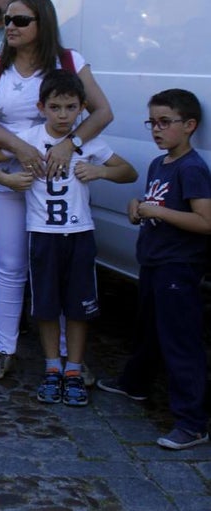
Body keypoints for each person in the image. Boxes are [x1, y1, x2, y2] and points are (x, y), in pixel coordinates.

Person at [0, 0, 112, 382]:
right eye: (8, 19)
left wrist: (71, 144)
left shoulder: (68, 62)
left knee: (64, 267)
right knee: (11, 266)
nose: (10, 26)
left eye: (20, 20)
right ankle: (5, 349)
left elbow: (102, 111)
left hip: (58, 184)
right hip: (11, 176)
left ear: (42, 24)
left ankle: (69, 359)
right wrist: (21, 148)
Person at [0, 71, 136, 406]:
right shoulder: (28, 137)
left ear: (81, 109)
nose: (63, 115)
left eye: (70, 107)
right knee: (47, 305)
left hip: (79, 233)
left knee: (78, 306)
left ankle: (74, 369)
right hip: (42, 235)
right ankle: (52, 368)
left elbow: (128, 171)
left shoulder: (86, 142)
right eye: (56, 107)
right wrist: (9, 181)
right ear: (42, 107)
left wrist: (100, 171)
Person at [98, 89, 211, 449]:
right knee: (147, 329)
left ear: (190, 125)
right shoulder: (159, 164)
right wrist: (138, 206)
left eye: (165, 122)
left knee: (180, 343)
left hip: (179, 267)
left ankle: (193, 423)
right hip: (153, 260)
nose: (156, 130)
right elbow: (155, 204)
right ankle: (135, 383)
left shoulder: (192, 168)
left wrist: (158, 212)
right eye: (152, 122)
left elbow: (205, 221)